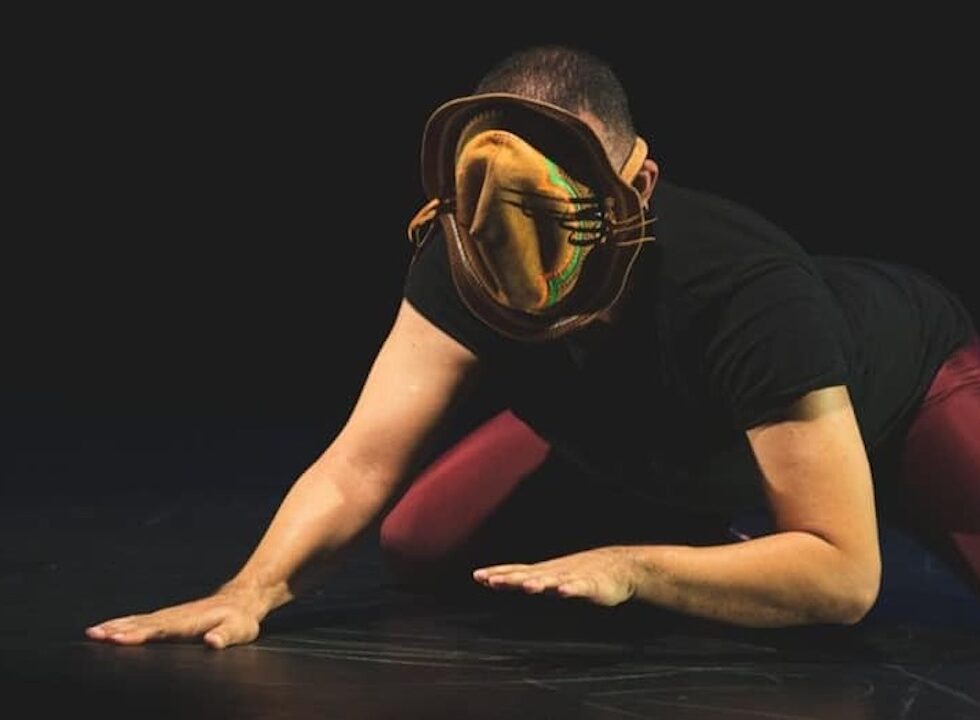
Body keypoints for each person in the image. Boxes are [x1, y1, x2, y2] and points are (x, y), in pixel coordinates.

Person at [85, 44, 979, 650]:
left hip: (895, 400)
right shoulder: (466, 248)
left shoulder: (747, 293)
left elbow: (845, 578)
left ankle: (729, 531)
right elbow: (359, 464)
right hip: (664, 434)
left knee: (822, 548)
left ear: (641, 183)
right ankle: (714, 533)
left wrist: (634, 567)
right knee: (423, 540)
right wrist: (248, 592)